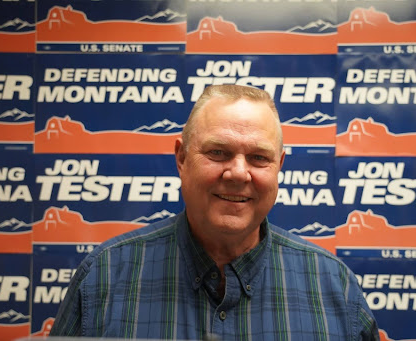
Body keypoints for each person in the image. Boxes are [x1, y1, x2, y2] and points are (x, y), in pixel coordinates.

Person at [50, 85, 379, 340]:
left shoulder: (335, 288)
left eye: (258, 158)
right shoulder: (104, 277)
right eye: (218, 152)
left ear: (279, 167)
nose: (238, 173)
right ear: (181, 159)